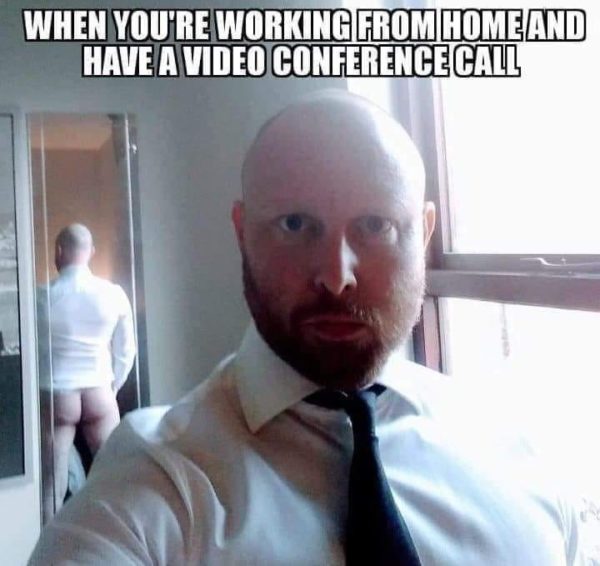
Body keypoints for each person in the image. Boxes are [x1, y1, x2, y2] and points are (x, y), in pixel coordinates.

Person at [30, 93, 589, 564]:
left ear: (423, 233)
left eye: (376, 226)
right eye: (296, 225)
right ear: (243, 233)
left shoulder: (512, 454)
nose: (336, 276)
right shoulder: (154, 486)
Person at [40, 223, 136, 520]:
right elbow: (126, 351)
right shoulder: (113, 294)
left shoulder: (43, 296)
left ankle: (52, 543)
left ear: (59, 251)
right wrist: (112, 387)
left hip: (59, 395)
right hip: (99, 391)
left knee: (51, 486)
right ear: (91, 252)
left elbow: (35, 353)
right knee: (116, 478)